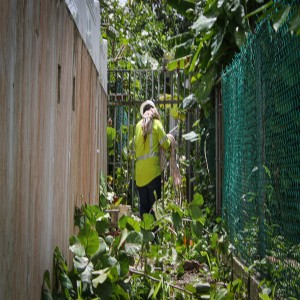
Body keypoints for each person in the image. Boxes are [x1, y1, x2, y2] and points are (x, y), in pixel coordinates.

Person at [134, 100, 173, 219]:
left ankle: (145, 235)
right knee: (154, 208)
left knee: (144, 207)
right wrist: (171, 139)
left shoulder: (137, 126)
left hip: (140, 175)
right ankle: (154, 236)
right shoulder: (156, 124)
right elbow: (165, 144)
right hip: (153, 174)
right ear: (153, 110)